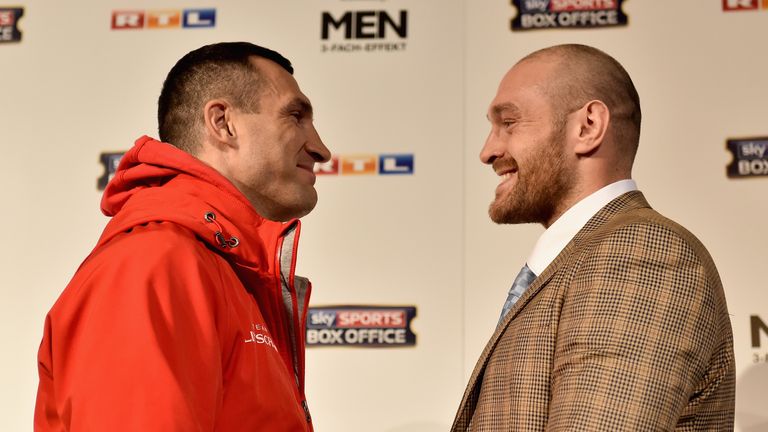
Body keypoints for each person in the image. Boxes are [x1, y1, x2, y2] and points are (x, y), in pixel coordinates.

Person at [35, 42, 331, 431]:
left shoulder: (222, 272)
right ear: (223, 124)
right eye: (295, 116)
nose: (321, 149)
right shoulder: (154, 263)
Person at [452, 44, 735, 431]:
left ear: (587, 127)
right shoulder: (585, 257)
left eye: (509, 123)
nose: (488, 150)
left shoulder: (641, 254)